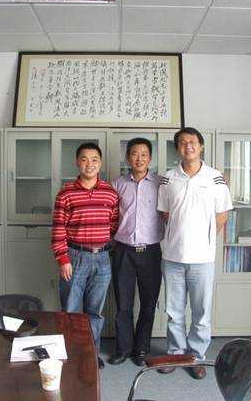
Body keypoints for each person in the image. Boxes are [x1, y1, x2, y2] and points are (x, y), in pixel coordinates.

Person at [157, 127, 233, 380]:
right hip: (173, 257)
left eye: (192, 141)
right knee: (174, 312)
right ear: (177, 148)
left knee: (201, 313)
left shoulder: (215, 178)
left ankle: (196, 357)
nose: (187, 145)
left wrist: (203, 238)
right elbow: (165, 214)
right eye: (182, 142)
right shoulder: (168, 178)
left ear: (201, 146)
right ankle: (176, 353)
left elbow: (222, 215)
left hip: (203, 259)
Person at [51, 142, 119, 370]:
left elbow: (114, 224)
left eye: (94, 159)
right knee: (71, 310)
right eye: (84, 159)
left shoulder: (110, 192)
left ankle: (91, 353)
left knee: (95, 312)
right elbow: (58, 228)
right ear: (77, 162)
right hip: (75, 257)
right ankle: (70, 353)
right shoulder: (66, 193)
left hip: (102, 258)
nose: (89, 164)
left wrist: (103, 246)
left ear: (100, 163)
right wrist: (63, 259)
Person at [108, 138, 164, 367]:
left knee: (149, 303)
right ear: (127, 157)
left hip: (151, 252)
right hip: (123, 251)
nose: (139, 159)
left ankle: (141, 349)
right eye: (134, 154)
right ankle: (123, 348)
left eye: (144, 154)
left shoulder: (161, 184)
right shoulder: (116, 184)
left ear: (150, 158)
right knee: (123, 304)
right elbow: (108, 216)